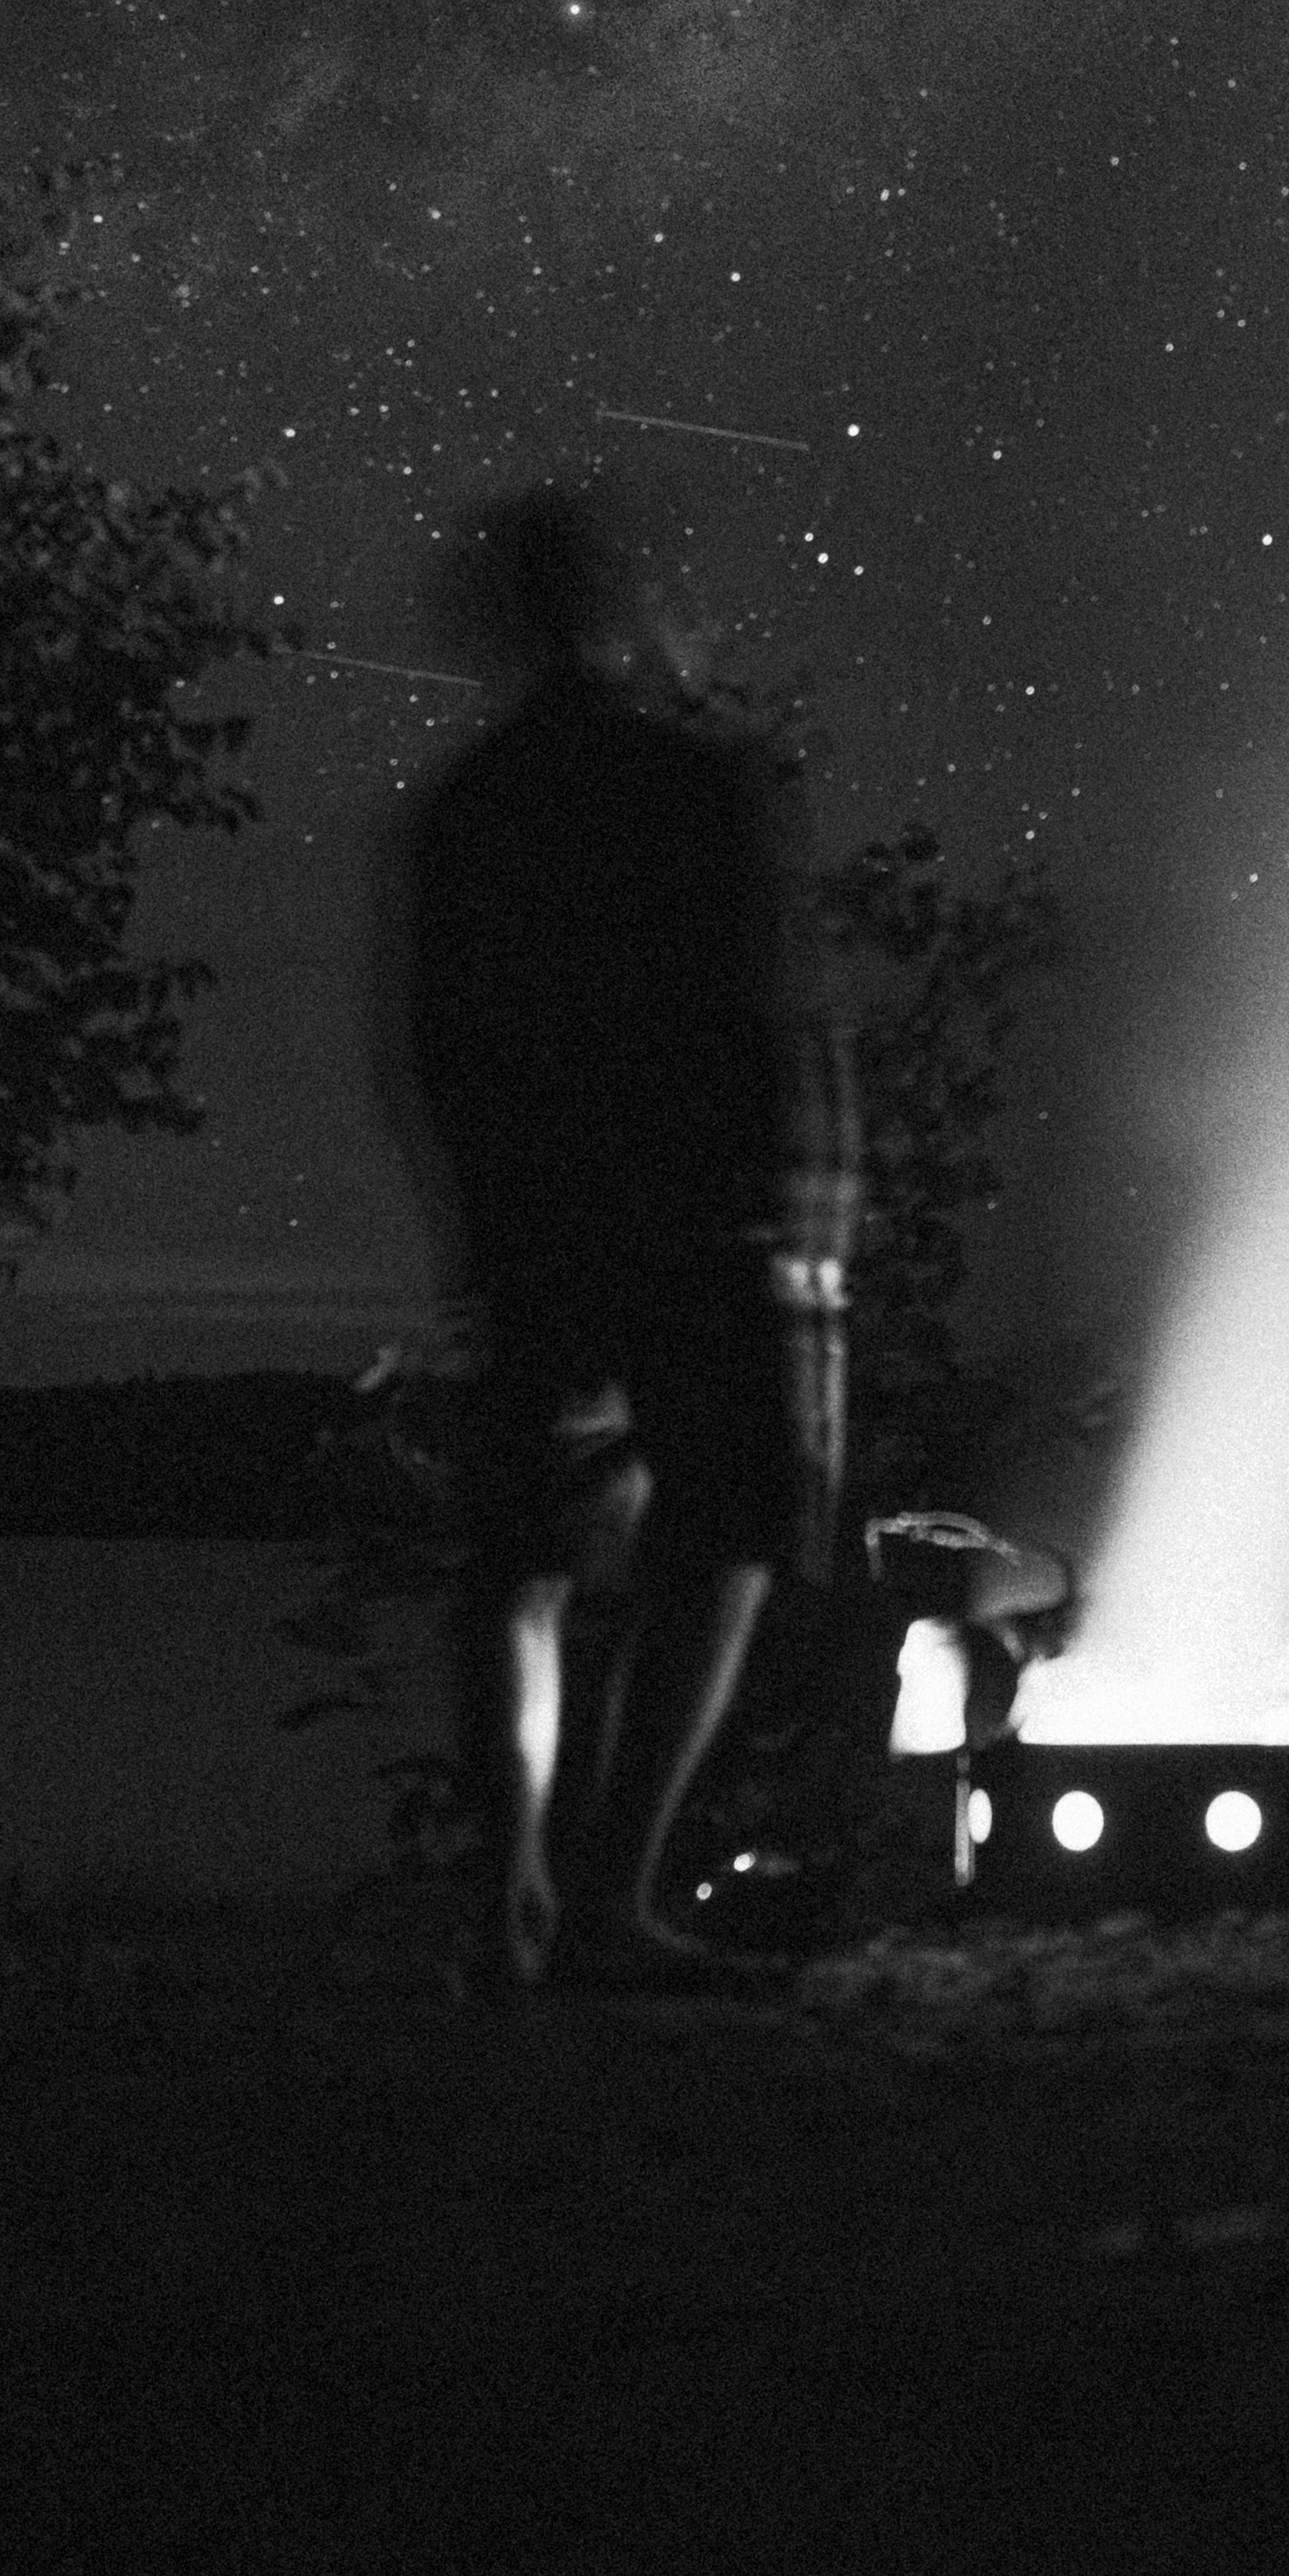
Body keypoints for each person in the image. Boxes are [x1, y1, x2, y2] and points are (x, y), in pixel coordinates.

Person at [373, 482, 859, 1989]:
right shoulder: (695, 782)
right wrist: (811, 1214)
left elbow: (432, 1039)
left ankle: (510, 1897)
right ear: (613, 606)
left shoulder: (466, 807)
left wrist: (478, 1207)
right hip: (695, 1216)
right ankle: (609, 1892)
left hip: (540, 1216)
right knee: (723, 1536)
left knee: (518, 1552)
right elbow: (770, 1008)